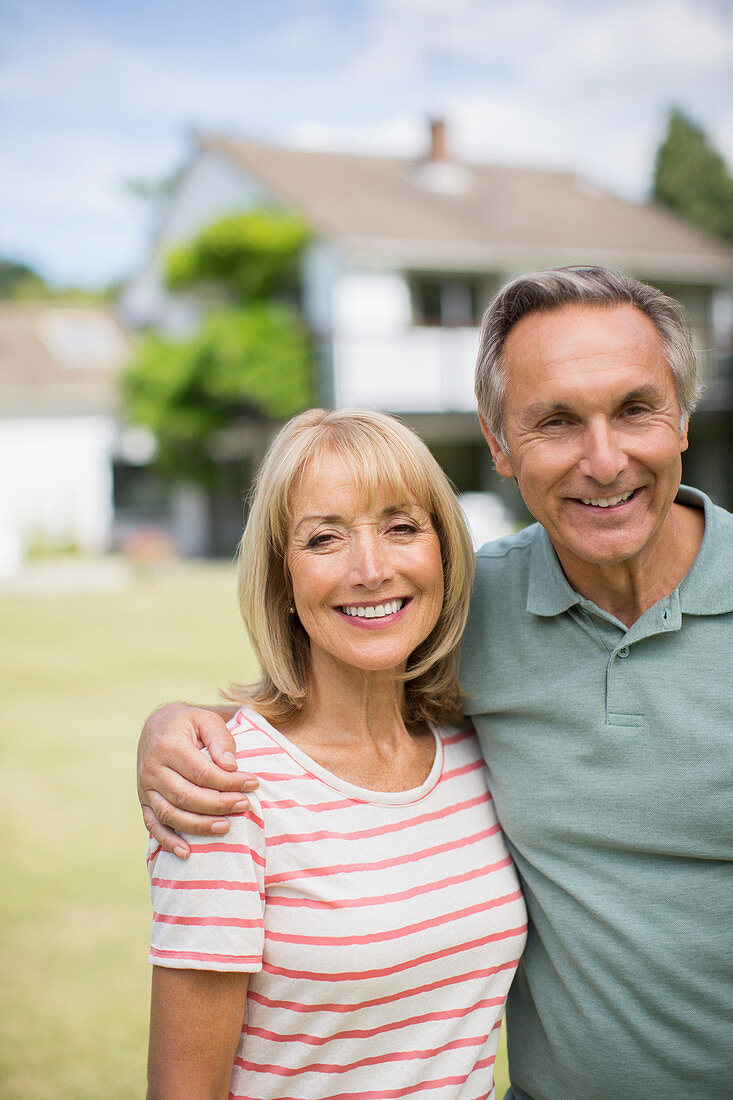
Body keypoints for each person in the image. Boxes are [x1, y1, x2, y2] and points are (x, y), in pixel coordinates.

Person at [138, 267, 733, 1099]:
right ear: (497, 443)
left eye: (634, 408)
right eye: (555, 420)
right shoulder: (464, 608)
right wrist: (175, 725)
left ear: (681, 416)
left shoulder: (451, 706)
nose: (604, 460)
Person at [145, 407, 528, 1099]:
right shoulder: (223, 790)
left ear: (443, 551)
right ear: (282, 580)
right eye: (324, 538)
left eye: (401, 527)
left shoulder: (477, 751)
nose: (372, 568)